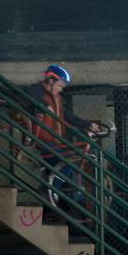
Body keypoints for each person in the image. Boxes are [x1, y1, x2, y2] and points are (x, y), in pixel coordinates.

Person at [27, 64, 101, 217]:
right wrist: (44, 106)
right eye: (60, 85)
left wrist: (88, 124)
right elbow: (30, 99)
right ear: (50, 80)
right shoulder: (36, 90)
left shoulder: (57, 98)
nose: (61, 89)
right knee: (66, 162)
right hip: (41, 139)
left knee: (60, 168)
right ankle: (50, 194)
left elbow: (67, 116)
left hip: (54, 141)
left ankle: (49, 203)